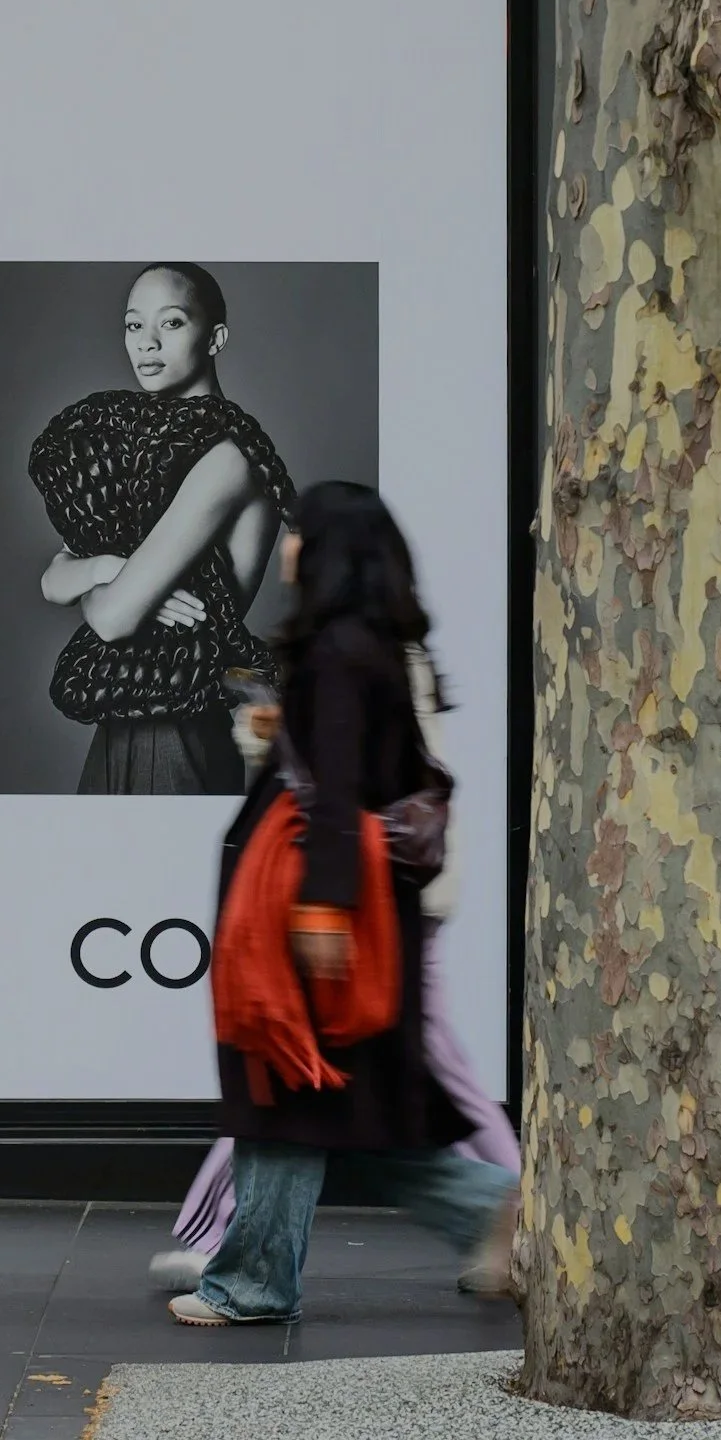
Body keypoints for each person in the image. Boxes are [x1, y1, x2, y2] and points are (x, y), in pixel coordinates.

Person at [168, 483, 518, 1325]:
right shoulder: (375, 649)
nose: (287, 548)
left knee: (288, 1094)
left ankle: (254, 1283)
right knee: (340, 1108)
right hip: (369, 911)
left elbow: (334, 798)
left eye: (299, 535)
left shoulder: (335, 651)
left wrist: (321, 910)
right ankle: (496, 1209)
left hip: (327, 916)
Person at [30, 263, 297, 794]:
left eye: (171, 323)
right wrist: (114, 568)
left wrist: (106, 587)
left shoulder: (228, 458)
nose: (146, 344)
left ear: (215, 337)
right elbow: (50, 580)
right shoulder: (148, 457)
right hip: (122, 722)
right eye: (134, 325)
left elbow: (109, 619)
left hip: (176, 729)